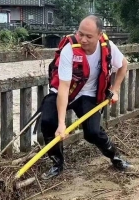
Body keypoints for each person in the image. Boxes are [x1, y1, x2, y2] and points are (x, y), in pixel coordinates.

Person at [39, 15, 132, 179]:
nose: (83, 39)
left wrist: (115, 89)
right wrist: (61, 124)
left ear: (99, 35)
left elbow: (123, 65)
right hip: (66, 91)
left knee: (93, 133)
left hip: (88, 94)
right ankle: (57, 163)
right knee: (49, 121)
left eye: (89, 36)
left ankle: (115, 157)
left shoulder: (107, 46)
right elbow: (63, 87)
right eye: (80, 34)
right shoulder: (70, 49)